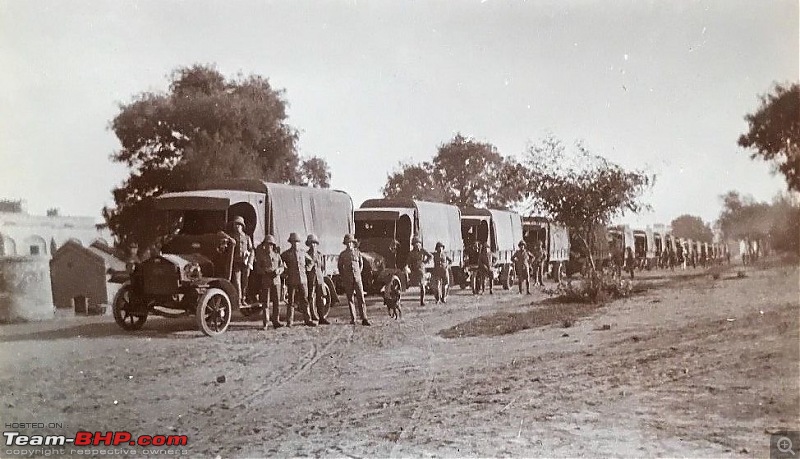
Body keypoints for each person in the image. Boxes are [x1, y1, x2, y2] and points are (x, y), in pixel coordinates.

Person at [281, 232, 316, 327]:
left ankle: (308, 320)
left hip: (303, 280)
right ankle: (290, 321)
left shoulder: (302, 253)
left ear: (299, 243)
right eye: (293, 242)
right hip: (292, 280)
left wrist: (307, 269)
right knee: (291, 301)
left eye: (296, 242)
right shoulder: (286, 254)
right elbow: (280, 262)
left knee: (305, 300)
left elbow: (311, 261)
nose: (295, 244)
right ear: (291, 243)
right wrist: (285, 272)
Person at [338, 234, 370, 326]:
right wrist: (343, 276)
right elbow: (340, 267)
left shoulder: (357, 253)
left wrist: (358, 273)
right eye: (347, 243)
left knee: (361, 298)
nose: (349, 244)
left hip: (357, 279)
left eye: (350, 242)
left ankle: (364, 318)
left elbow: (361, 264)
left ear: (353, 243)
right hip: (348, 279)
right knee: (350, 299)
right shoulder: (343, 255)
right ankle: (353, 318)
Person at [254, 235, 285, 329]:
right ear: (264, 245)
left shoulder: (277, 255)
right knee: (265, 302)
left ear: (273, 246)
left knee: (276, 302)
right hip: (266, 280)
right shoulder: (261, 256)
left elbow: (282, 266)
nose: (269, 246)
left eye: (271, 245)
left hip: (276, 281)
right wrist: (265, 271)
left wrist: (279, 271)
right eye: (267, 244)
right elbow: (257, 268)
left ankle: (276, 321)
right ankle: (266, 322)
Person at [226, 216, 254, 307]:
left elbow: (252, 250)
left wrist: (250, 262)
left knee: (245, 282)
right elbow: (220, 233)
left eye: (239, 224)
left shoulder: (247, 237)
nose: (237, 226)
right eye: (235, 224)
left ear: (242, 226)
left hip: (245, 263)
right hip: (236, 263)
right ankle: (238, 300)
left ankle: (243, 299)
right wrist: (229, 239)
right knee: (237, 282)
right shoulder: (231, 236)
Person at [305, 234, 330, 325]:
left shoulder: (320, 255)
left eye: (315, 243)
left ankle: (322, 318)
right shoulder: (306, 255)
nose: (313, 245)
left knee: (320, 298)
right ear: (308, 244)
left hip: (319, 279)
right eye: (311, 243)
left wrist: (321, 277)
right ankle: (310, 318)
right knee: (310, 298)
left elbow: (322, 267)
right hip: (310, 279)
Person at [406, 236, 432, 306]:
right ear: (413, 245)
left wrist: (425, 262)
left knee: (422, 285)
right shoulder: (411, 253)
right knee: (412, 283)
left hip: (421, 270)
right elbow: (408, 262)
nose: (417, 245)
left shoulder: (422, 251)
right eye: (415, 243)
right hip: (414, 270)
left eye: (418, 243)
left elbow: (430, 256)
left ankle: (422, 301)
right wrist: (409, 267)